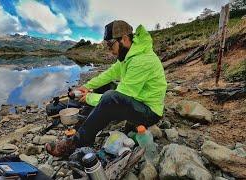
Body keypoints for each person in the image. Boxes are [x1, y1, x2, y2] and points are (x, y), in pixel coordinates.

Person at [46, 20, 167, 157]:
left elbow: (120, 95)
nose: (109, 49)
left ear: (125, 39)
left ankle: (77, 142)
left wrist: (89, 98)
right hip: (138, 102)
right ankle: (84, 124)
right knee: (106, 86)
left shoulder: (142, 60)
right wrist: (86, 86)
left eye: (110, 44)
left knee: (111, 97)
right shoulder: (128, 55)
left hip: (149, 112)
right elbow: (108, 74)